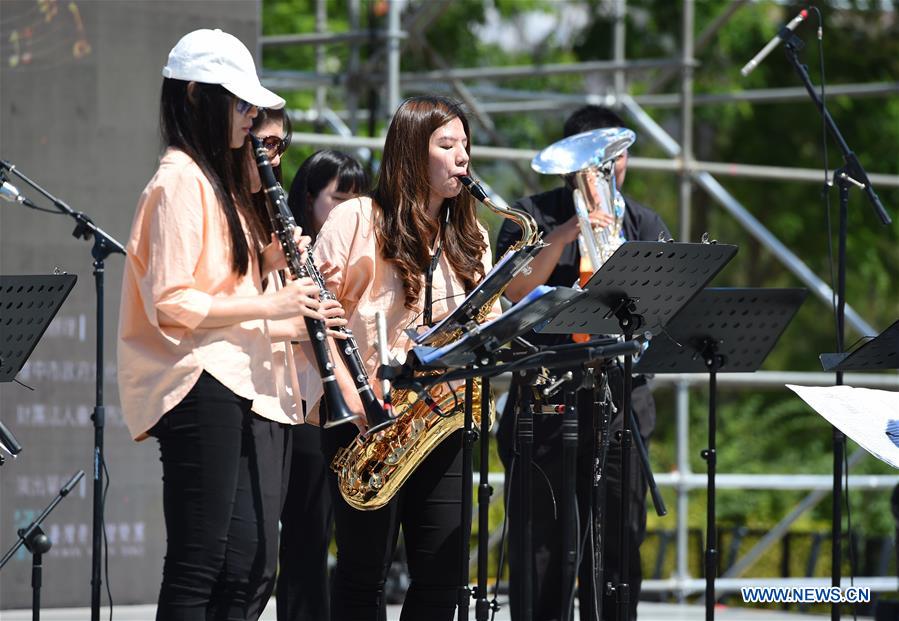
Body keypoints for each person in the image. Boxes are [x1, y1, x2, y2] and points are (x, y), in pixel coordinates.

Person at [117, 28, 339, 621]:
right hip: (198, 383)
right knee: (200, 564)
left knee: (246, 566)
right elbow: (173, 302)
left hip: (234, 379)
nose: (248, 118)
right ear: (195, 97)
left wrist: (269, 262)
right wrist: (274, 305)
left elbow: (215, 284)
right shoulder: (180, 180)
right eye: (238, 103)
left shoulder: (212, 184)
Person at [300, 95, 497, 621]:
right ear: (412, 151)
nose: (463, 158)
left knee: (444, 575)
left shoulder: (472, 236)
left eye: (466, 146)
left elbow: (489, 324)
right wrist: (351, 399)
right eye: (447, 144)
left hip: (445, 418)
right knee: (364, 574)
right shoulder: (355, 219)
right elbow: (313, 314)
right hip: (370, 420)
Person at [495, 105, 671, 621]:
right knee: (540, 543)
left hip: (622, 401)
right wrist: (567, 233)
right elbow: (514, 290)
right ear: (571, 163)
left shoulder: (643, 222)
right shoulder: (532, 214)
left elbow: (660, 309)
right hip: (546, 397)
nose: (609, 170)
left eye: (618, 158)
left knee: (618, 542)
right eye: (597, 160)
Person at [277, 150, 368, 621]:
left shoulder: (364, 248)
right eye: (339, 197)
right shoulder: (289, 253)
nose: (350, 208)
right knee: (305, 535)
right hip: (305, 410)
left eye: (358, 198)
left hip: (355, 408)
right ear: (309, 198)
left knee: (357, 543)